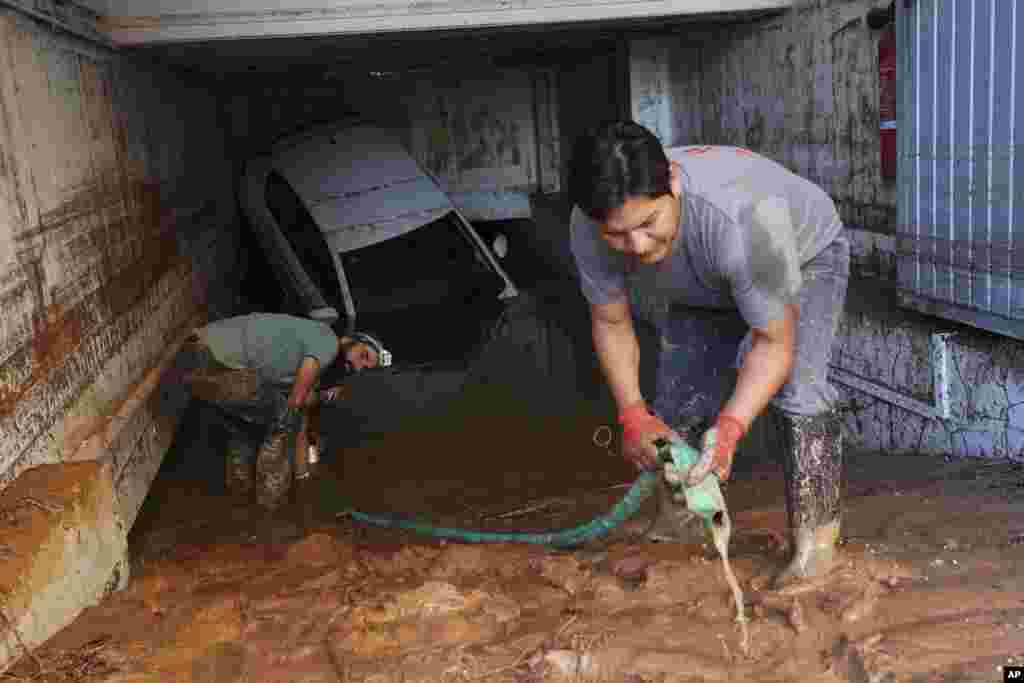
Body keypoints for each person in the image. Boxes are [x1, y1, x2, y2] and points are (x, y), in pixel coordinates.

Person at [568, 121, 849, 587]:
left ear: (673, 183)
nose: (636, 247)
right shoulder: (589, 226)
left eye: (647, 224)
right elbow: (611, 321)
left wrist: (733, 426)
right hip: (701, 274)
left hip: (799, 255)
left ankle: (816, 545)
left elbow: (773, 341)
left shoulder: (745, 217)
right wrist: (633, 415)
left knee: (799, 387)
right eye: (617, 235)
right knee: (678, 401)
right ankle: (683, 526)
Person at [181, 313, 391, 509]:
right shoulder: (328, 342)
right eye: (363, 355)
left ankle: (238, 494)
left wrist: (317, 396)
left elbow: (293, 390)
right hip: (217, 363)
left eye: (365, 367)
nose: (358, 366)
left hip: (197, 352)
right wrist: (303, 474)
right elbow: (297, 401)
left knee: (246, 422)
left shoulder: (311, 339)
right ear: (351, 339)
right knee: (284, 419)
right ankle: (272, 503)